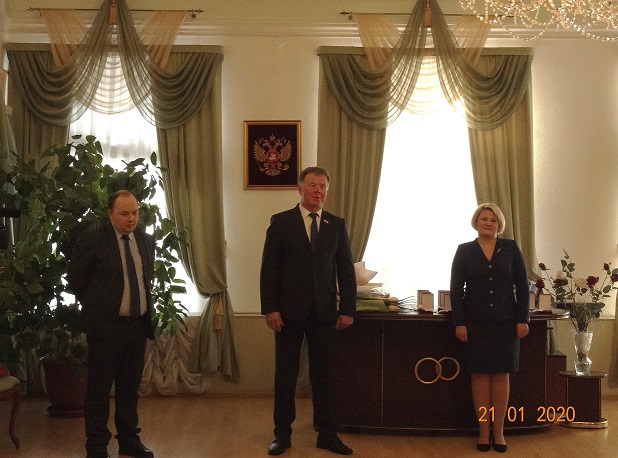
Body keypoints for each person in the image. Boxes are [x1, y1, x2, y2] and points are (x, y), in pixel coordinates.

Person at [260, 166, 357, 456]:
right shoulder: (282, 222)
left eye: (323, 186)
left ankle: (327, 434)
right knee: (285, 375)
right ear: (300, 188)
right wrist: (270, 309)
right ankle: (282, 434)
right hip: (288, 313)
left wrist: (347, 309)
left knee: (323, 376)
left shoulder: (335, 224)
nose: (318, 191)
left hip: (325, 313)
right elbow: (269, 269)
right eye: (313, 185)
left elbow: (346, 270)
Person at [68, 190, 156, 458]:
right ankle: (96, 446)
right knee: (99, 390)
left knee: (129, 389)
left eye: (135, 213)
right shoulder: (93, 240)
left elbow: (145, 281)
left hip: (137, 326)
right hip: (106, 328)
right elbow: (76, 281)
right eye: (124, 213)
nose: (131, 219)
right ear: (110, 214)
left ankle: (129, 440)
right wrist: (99, 306)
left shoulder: (145, 240)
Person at [450, 203, 530, 453]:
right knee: (480, 376)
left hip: (506, 322)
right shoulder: (464, 251)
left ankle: (500, 432)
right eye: (484, 219)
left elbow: (523, 285)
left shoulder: (511, 248)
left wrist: (523, 318)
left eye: (493, 220)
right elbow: (455, 289)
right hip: (475, 323)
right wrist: (460, 322)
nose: (488, 223)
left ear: (499, 224)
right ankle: (484, 432)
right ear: (476, 222)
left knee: (501, 375)